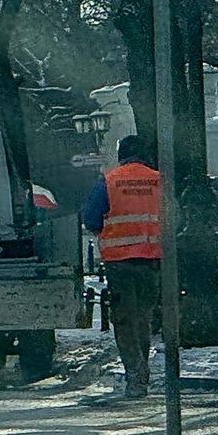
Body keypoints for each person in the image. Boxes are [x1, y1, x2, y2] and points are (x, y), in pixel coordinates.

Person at [82, 135, 162, 396]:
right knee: (143, 317)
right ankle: (143, 367)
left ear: (122, 154)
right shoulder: (158, 180)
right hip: (151, 260)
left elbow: (92, 219)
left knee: (125, 320)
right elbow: (173, 216)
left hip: (119, 262)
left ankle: (136, 374)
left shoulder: (109, 181)